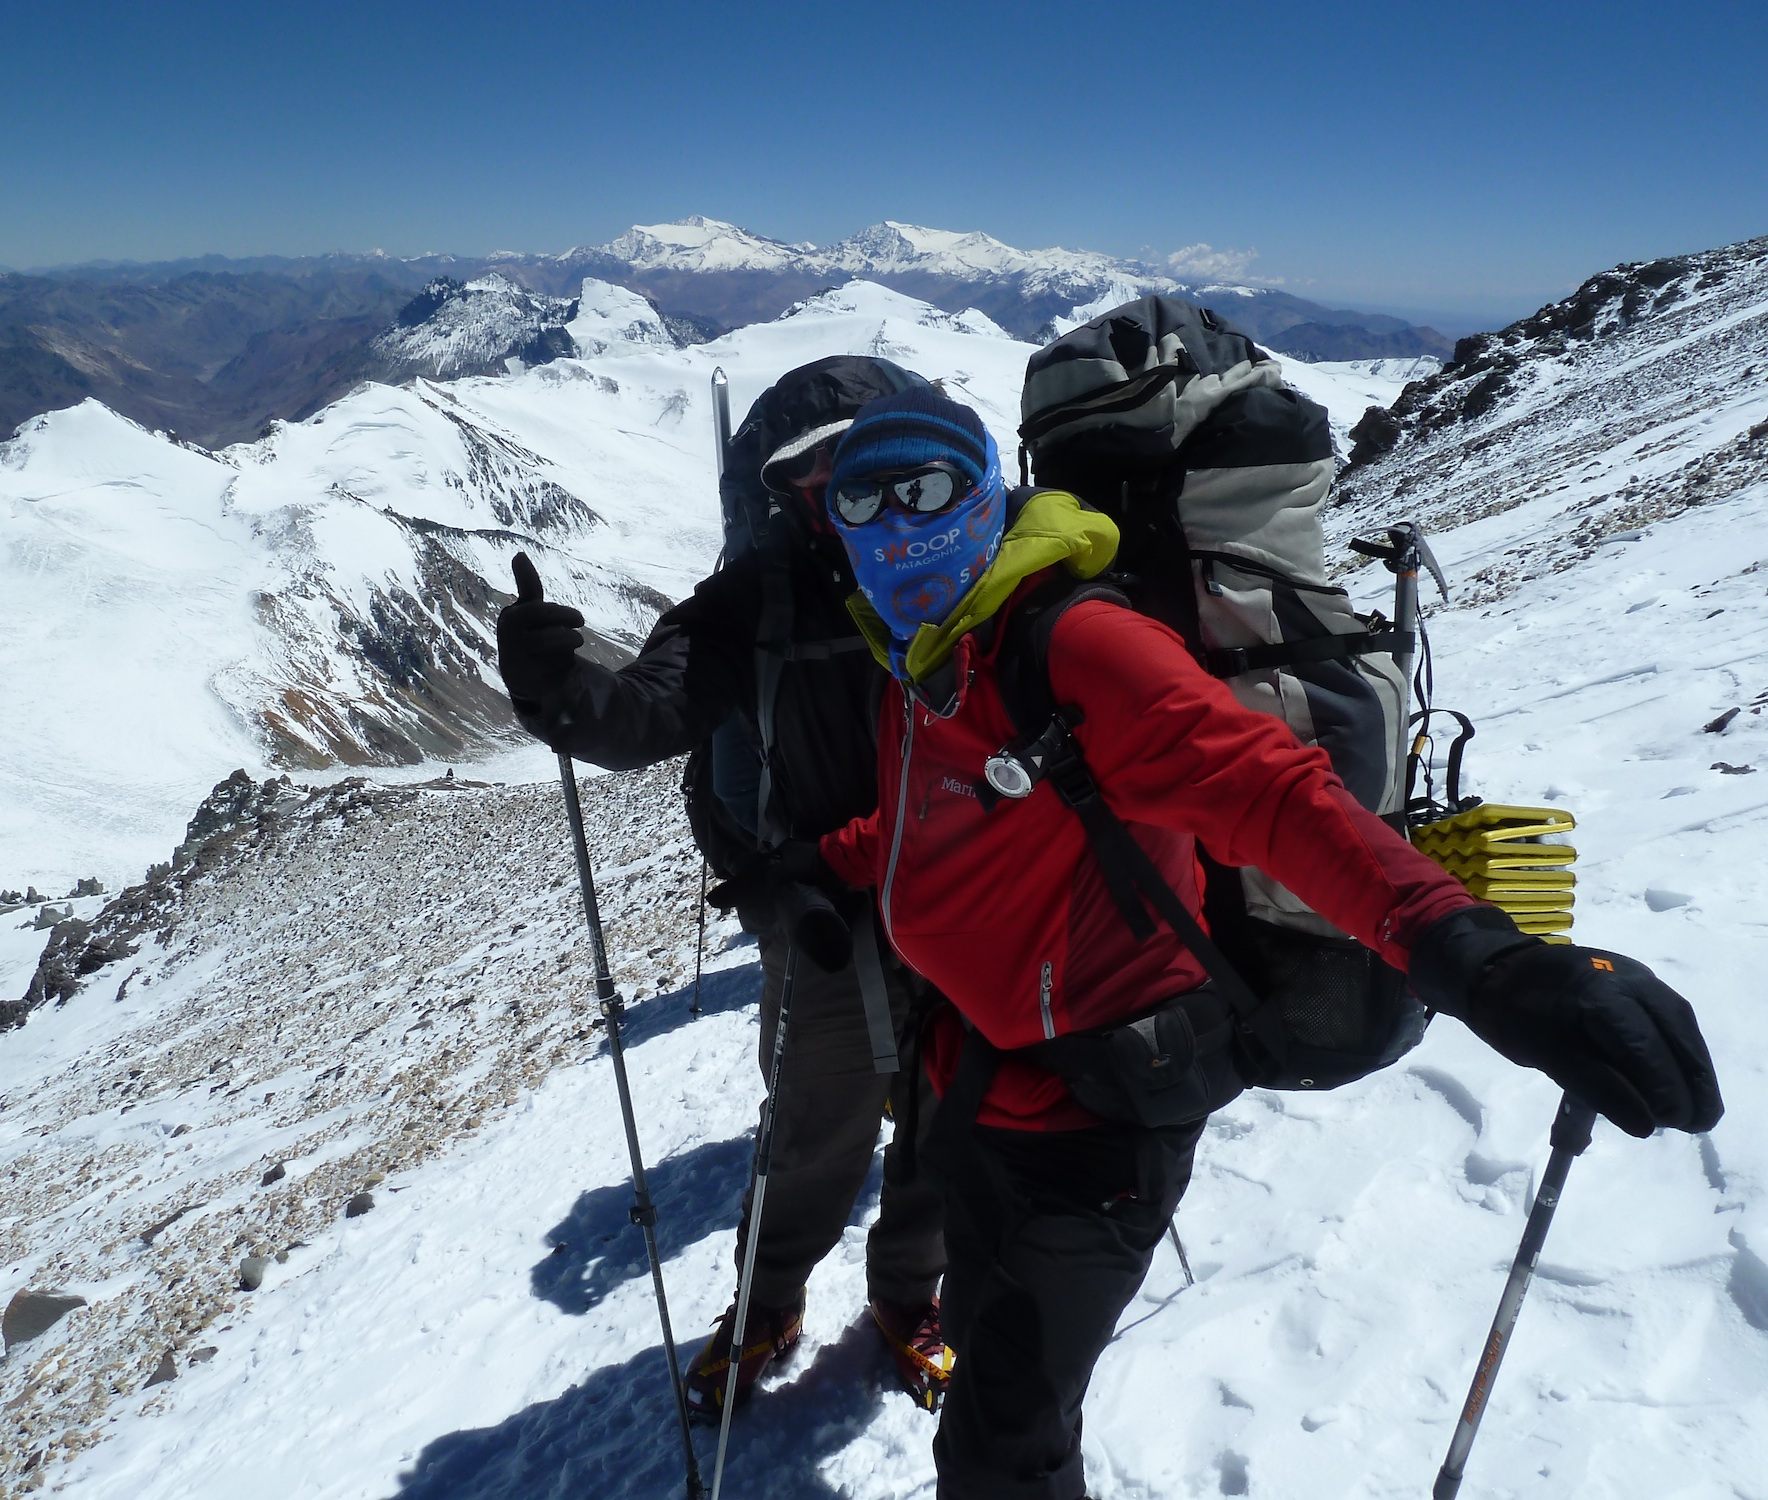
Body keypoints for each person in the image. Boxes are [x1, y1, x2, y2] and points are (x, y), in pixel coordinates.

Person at [804, 389, 1725, 1498]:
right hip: (983, 1087)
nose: (897, 525)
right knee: (994, 1347)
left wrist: (1477, 957)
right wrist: (826, 864)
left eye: (927, 488)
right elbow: (931, 824)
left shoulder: (1077, 647)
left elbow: (1276, 798)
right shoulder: (927, 658)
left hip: (1099, 1119)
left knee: (1002, 1443)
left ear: (991, 497)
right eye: (866, 500)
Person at [495, 357, 954, 1414]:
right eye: (820, 471)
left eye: (872, 458)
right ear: (780, 493)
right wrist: (556, 692)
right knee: (809, 1133)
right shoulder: (756, 599)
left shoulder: (966, 570)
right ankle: (768, 1307)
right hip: (827, 918)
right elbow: (642, 715)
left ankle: (902, 1296)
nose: (853, 488)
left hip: (964, 910)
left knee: (944, 1122)